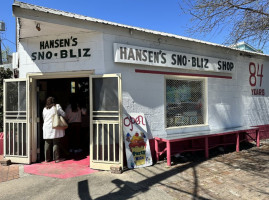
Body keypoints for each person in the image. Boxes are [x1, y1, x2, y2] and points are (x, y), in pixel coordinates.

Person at [42, 97, 66, 163]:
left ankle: (47, 159)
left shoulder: (44, 109)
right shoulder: (57, 106)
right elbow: (63, 114)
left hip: (46, 126)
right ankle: (56, 158)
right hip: (54, 126)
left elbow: (44, 118)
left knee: (47, 142)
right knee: (56, 142)